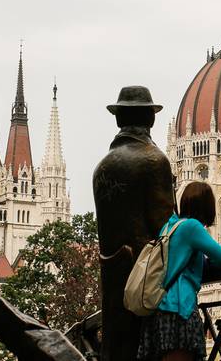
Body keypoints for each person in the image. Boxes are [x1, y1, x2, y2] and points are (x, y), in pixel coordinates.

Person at [93, 85, 175, 361]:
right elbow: (167, 229)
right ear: (151, 119)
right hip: (149, 286)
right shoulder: (153, 161)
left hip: (114, 282)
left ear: (118, 119)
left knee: (117, 349)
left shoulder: (103, 166)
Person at [137, 181, 221, 361]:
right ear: (207, 207)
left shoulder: (171, 226)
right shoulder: (192, 227)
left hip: (159, 309)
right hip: (179, 310)